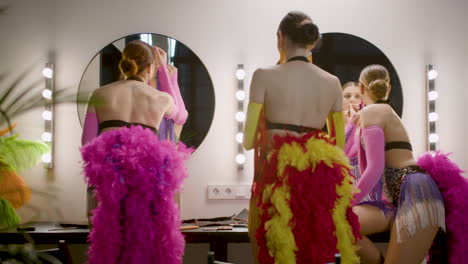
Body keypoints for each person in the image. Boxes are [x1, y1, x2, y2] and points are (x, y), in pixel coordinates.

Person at [243, 11, 360, 264]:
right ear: (312, 42)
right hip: (316, 184)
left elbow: (248, 141)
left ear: (280, 37)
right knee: (313, 254)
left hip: (274, 182)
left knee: (273, 253)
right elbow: (338, 146)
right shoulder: (332, 82)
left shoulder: (263, 75)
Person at [81, 40, 190, 264]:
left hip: (109, 184)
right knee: (146, 251)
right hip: (146, 183)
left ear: (124, 64)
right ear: (150, 68)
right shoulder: (161, 98)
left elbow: (87, 143)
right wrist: (167, 75)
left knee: (109, 250)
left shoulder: (100, 94)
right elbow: (181, 117)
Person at [353, 64, 446, 264]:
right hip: (410, 193)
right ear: (389, 88)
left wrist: (346, 201)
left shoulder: (372, 112)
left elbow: (375, 168)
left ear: (361, 89)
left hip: (416, 194)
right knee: (336, 222)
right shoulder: (382, 112)